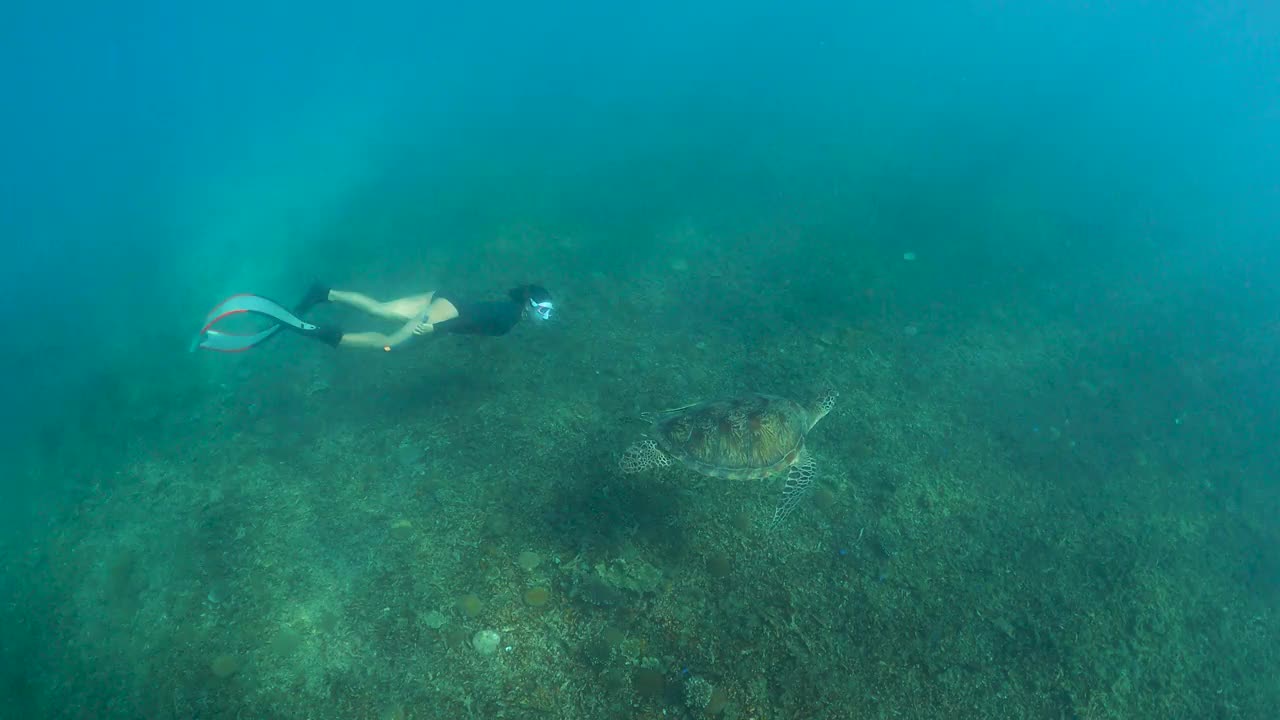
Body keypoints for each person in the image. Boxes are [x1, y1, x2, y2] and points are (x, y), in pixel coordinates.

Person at [292, 282, 555, 351]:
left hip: (444, 299)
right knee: (389, 345)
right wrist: (436, 329)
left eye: (549, 312)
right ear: (529, 305)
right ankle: (320, 333)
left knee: (380, 309)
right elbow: (471, 318)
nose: (546, 316)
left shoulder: (510, 311)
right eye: (543, 310)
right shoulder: (510, 316)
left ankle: (323, 293)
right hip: (449, 313)